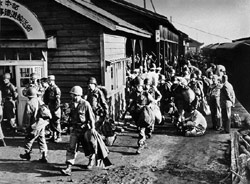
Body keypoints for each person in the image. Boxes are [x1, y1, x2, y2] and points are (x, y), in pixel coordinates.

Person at [61, 86, 111, 176]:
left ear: (80, 95)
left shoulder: (86, 104)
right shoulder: (71, 104)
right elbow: (69, 117)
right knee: (71, 148)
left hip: (84, 130)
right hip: (75, 130)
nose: (73, 97)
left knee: (89, 147)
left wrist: (92, 129)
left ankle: (91, 160)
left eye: (75, 95)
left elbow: (91, 118)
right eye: (72, 95)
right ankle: (68, 167)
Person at [19, 87, 51, 162]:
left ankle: (27, 154)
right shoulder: (40, 100)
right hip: (42, 123)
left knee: (29, 138)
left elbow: (27, 116)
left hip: (35, 124)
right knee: (41, 139)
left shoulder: (29, 103)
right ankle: (44, 155)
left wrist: (25, 126)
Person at [127, 77, 155, 154]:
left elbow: (152, 102)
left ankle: (140, 144)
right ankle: (143, 140)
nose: (137, 87)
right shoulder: (133, 93)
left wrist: (147, 106)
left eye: (139, 86)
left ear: (142, 86)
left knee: (141, 130)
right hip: (136, 114)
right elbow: (130, 103)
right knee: (140, 128)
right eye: (136, 86)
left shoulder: (145, 93)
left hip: (144, 113)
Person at [47, 75, 62, 142]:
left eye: (49, 81)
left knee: (56, 122)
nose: (48, 82)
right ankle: (53, 136)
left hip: (56, 108)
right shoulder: (49, 89)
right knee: (52, 123)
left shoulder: (56, 89)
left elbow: (58, 101)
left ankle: (59, 136)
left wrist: (55, 108)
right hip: (51, 107)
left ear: (52, 81)